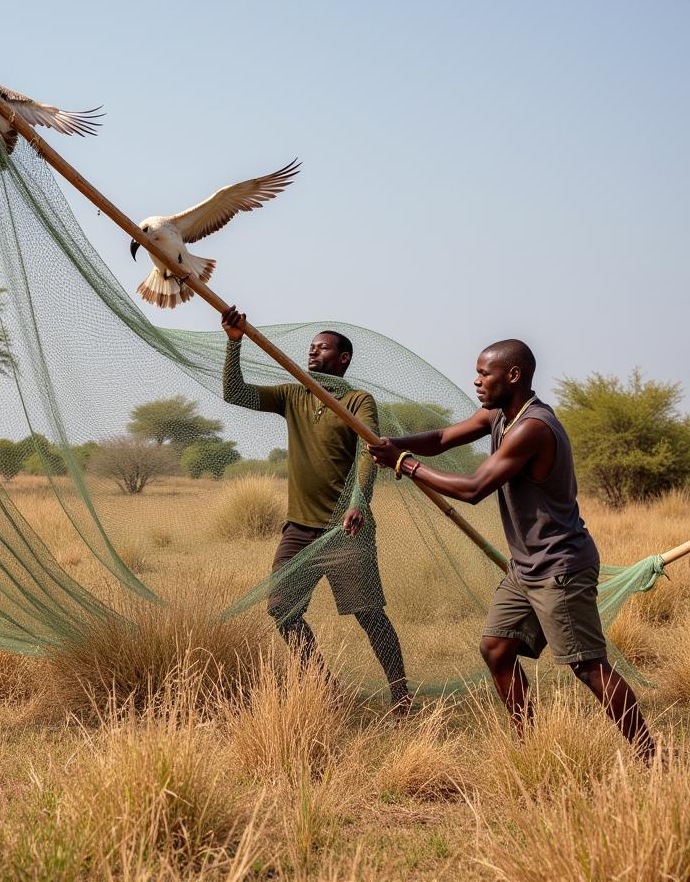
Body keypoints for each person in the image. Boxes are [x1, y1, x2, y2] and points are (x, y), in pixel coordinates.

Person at [366, 339, 654, 758]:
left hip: (560, 565)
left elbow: (474, 488)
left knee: (588, 666)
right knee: (497, 649)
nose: (477, 380)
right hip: (527, 567)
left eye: (485, 373)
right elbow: (445, 436)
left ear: (513, 376)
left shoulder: (532, 428)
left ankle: (651, 755)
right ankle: (529, 745)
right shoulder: (499, 415)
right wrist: (392, 442)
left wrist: (405, 463)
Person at [221, 306, 409, 710]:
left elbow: (368, 450)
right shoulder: (292, 395)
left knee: (369, 614)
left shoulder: (358, 400)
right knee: (282, 610)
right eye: (311, 348)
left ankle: (401, 694)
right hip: (299, 529)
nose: (313, 353)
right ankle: (326, 687)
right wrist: (233, 344)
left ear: (343, 359)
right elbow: (234, 394)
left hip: (346, 529)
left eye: (323, 349)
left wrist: (359, 501)